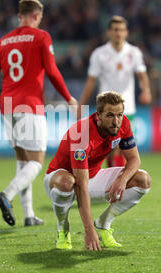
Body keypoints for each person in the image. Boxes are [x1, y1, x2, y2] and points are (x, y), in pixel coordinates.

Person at [0, 0, 78, 227]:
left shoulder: (2, 42)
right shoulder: (41, 36)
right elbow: (52, 72)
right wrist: (69, 97)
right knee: (36, 162)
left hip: (7, 107)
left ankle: (28, 215)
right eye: (40, 18)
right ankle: (7, 195)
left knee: (23, 161)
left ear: (19, 16)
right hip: (30, 106)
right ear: (36, 16)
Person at [44, 91, 151, 250]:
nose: (116, 121)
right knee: (68, 182)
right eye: (110, 115)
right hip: (60, 180)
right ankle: (63, 229)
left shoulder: (123, 124)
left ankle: (104, 223)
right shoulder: (82, 134)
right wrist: (89, 230)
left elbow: (134, 159)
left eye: (119, 115)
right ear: (98, 115)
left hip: (92, 177)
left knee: (143, 180)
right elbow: (80, 185)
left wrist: (122, 180)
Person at [78, 15, 152, 167]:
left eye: (122, 30)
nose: (119, 33)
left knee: (122, 147)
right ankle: (111, 181)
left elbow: (142, 75)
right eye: (116, 29)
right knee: (111, 148)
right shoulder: (99, 54)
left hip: (127, 108)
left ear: (126, 33)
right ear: (109, 32)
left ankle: (116, 183)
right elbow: (91, 80)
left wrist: (146, 91)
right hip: (106, 109)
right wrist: (82, 103)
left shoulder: (134, 52)